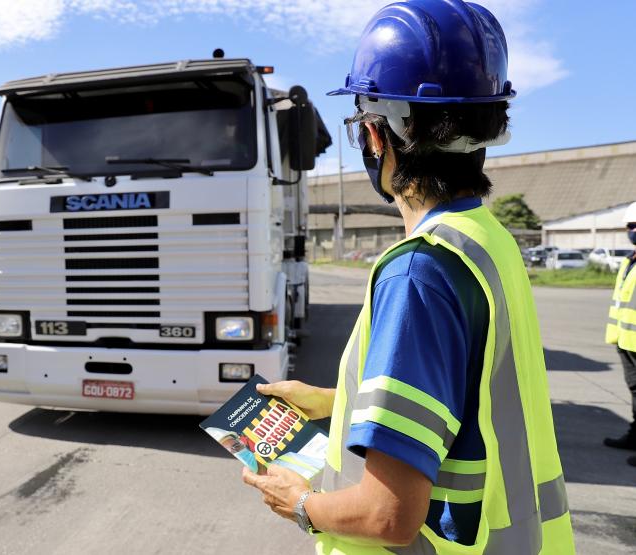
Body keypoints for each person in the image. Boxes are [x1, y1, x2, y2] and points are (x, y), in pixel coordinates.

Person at [240, 1, 575, 553]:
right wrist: (335, 400)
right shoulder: (488, 239)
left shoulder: (419, 270)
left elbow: (387, 515)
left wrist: (299, 502)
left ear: (376, 135)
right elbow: (467, 397)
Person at [604, 200, 636, 467]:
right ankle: (634, 435)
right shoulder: (630, 260)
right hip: (627, 340)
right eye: (630, 225)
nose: (632, 230)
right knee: (635, 391)